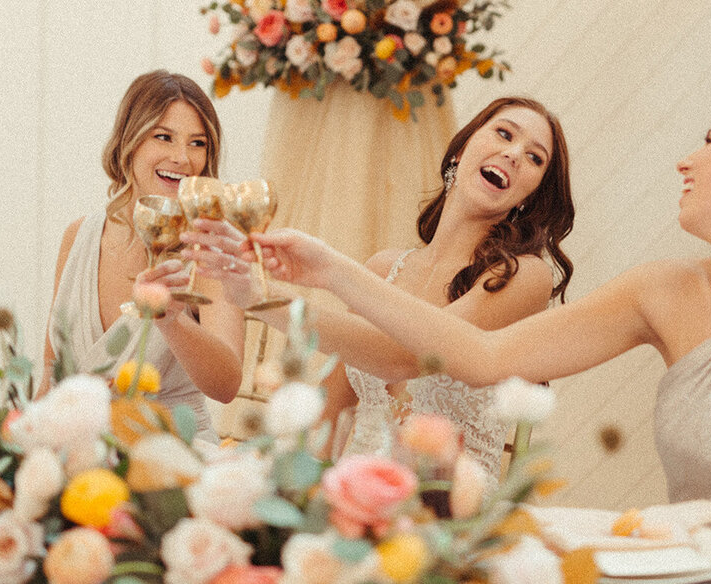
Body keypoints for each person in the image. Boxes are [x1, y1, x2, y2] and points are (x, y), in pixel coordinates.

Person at [242, 98, 711, 577]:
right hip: (685, 572)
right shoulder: (660, 291)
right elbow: (480, 358)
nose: (686, 160)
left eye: (710, 140)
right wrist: (329, 269)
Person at [185, 96, 575, 483]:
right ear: (460, 151)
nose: (513, 154)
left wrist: (261, 296)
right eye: (504, 134)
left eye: (535, 158)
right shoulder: (385, 269)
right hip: (357, 496)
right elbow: (329, 415)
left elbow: (407, 356)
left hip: (447, 507)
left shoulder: (523, 276)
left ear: (531, 196)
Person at [42, 70, 245, 444]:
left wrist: (174, 322)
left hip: (171, 453)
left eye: (197, 143)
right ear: (129, 142)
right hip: (77, 449)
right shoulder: (79, 236)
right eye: (163, 137)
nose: (182, 158)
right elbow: (52, 372)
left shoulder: (209, 249)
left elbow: (226, 385)